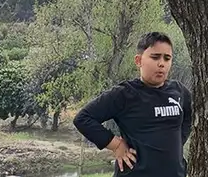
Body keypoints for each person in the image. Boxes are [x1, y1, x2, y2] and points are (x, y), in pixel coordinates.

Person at [73, 32, 193, 176]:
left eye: (167, 58)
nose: (161, 63)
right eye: (155, 57)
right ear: (138, 61)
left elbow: (189, 116)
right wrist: (116, 145)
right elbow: (83, 118)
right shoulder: (124, 93)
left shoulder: (179, 91)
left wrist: (179, 142)